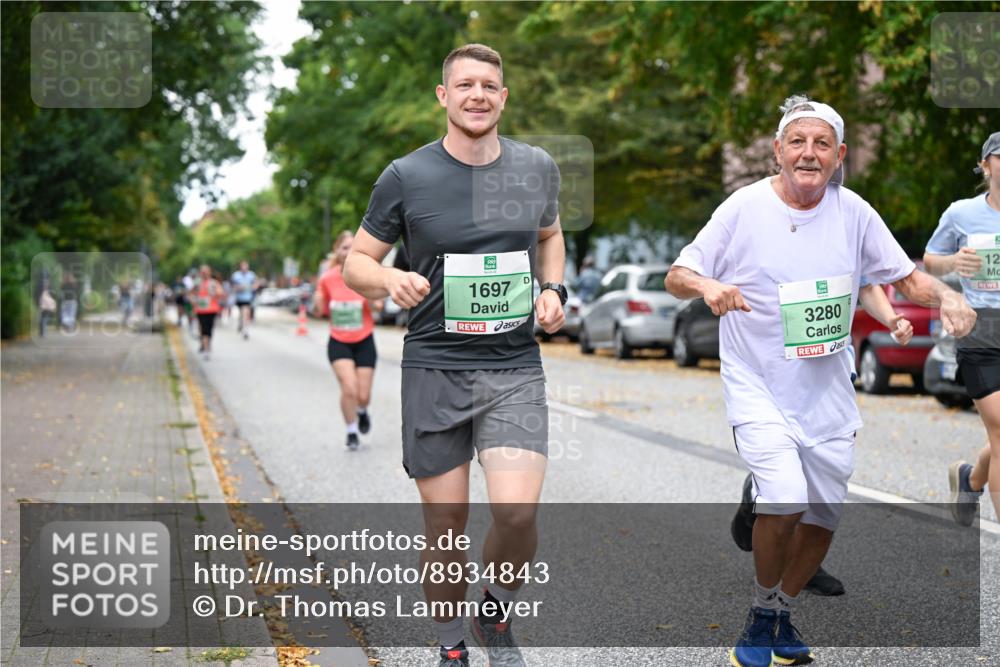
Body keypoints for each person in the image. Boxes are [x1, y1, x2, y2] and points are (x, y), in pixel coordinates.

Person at [665, 95, 976, 667]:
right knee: (785, 497)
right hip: (757, 383)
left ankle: (782, 611)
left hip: (829, 393)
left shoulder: (853, 211)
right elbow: (678, 273)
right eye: (799, 142)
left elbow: (905, 277)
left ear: (840, 156)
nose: (810, 154)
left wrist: (948, 297)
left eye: (822, 144)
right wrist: (708, 288)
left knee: (823, 515)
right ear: (778, 151)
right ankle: (761, 614)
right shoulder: (744, 208)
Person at [343, 43, 565, 667]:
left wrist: (553, 289)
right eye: (465, 84)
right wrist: (388, 281)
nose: (478, 95)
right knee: (446, 526)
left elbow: (550, 237)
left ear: (503, 97)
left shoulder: (536, 167)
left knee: (517, 512)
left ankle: (493, 610)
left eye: (489, 86)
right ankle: (450, 646)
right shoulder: (405, 175)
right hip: (435, 366)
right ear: (444, 96)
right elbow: (357, 261)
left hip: (514, 366)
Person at [729, 278, 915, 597]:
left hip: (831, 364)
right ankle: (759, 498)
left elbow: (865, 284)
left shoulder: (845, 233)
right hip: (775, 366)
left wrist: (891, 318)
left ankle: (806, 564)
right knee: (788, 484)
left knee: (823, 479)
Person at [924, 131, 1000, 527]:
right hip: (981, 329)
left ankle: (971, 479)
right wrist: (955, 261)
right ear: (986, 164)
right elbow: (930, 261)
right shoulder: (961, 213)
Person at [314, 231, 381, 450]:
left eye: (353, 247)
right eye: (344, 247)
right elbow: (320, 311)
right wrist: (318, 302)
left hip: (364, 339)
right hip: (339, 340)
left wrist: (371, 300)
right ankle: (351, 431)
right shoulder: (327, 278)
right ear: (338, 251)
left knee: (363, 395)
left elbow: (378, 307)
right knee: (349, 388)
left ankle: (362, 411)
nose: (348, 251)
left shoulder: (365, 274)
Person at [192, 265, 223, 360]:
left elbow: (220, 293)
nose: (204, 273)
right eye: (202, 272)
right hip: (200, 310)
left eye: (206, 271)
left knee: (209, 329)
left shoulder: (213, 283)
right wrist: (193, 301)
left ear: (209, 272)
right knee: (203, 329)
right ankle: (206, 349)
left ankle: (207, 344)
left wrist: (213, 293)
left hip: (211, 309)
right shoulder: (197, 283)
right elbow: (191, 294)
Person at [231, 260, 258, 340]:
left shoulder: (251, 275)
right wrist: (239, 288)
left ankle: (245, 331)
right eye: (243, 266)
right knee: (242, 313)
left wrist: (252, 287)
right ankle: (241, 323)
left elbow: (256, 284)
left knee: (246, 314)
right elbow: (233, 286)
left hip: (248, 298)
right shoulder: (236, 275)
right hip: (239, 298)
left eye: (245, 266)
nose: (244, 268)